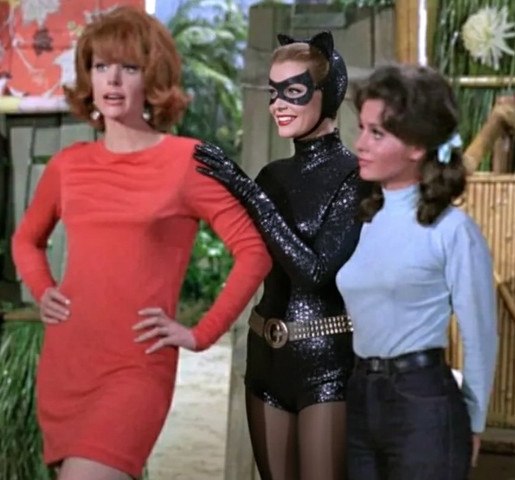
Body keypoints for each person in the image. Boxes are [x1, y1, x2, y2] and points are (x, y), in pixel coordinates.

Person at [11, 7, 271, 480]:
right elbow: (26, 241)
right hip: (68, 360)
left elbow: (255, 250)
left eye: (128, 68)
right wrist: (43, 289)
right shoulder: (69, 165)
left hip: (136, 365)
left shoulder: (188, 162)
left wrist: (201, 333)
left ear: (152, 78)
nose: (112, 80)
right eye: (101, 66)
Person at [194, 31, 364, 480]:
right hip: (265, 356)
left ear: (328, 93)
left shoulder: (354, 176)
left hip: (326, 361)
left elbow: (315, 272)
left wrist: (249, 193)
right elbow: (251, 258)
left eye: (294, 91)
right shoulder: (271, 175)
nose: (278, 105)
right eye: (273, 92)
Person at [336, 64, 498, 480]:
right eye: (362, 128)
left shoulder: (452, 230)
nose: (360, 144)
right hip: (360, 395)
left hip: (422, 401)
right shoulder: (365, 220)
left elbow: (480, 336)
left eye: (377, 133)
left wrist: (474, 421)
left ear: (417, 146)